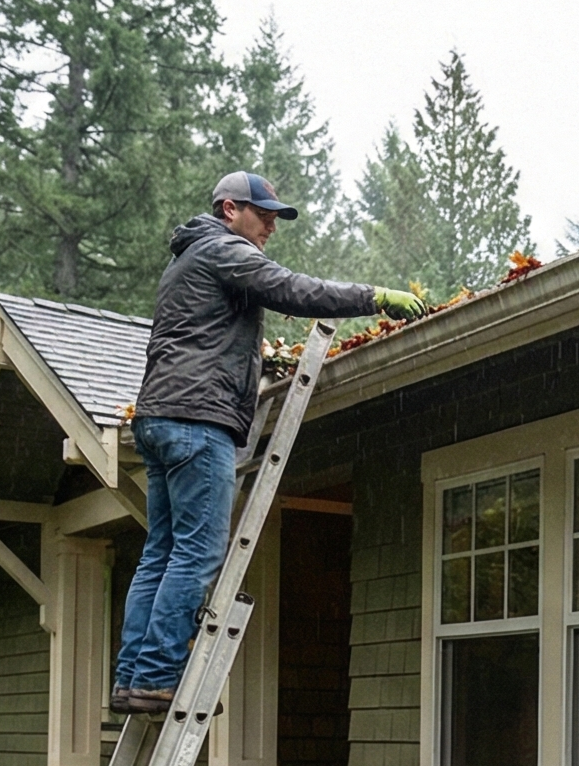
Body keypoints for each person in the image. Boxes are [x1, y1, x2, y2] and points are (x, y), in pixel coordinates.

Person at [108, 171, 428, 714]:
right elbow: (292, 290)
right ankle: (159, 676)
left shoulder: (186, 261)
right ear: (230, 209)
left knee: (160, 554)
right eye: (265, 215)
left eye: (277, 218)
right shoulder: (222, 249)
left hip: (160, 416)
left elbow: (203, 338)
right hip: (196, 421)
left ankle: (132, 677)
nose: (271, 228)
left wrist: (262, 362)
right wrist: (373, 297)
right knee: (196, 552)